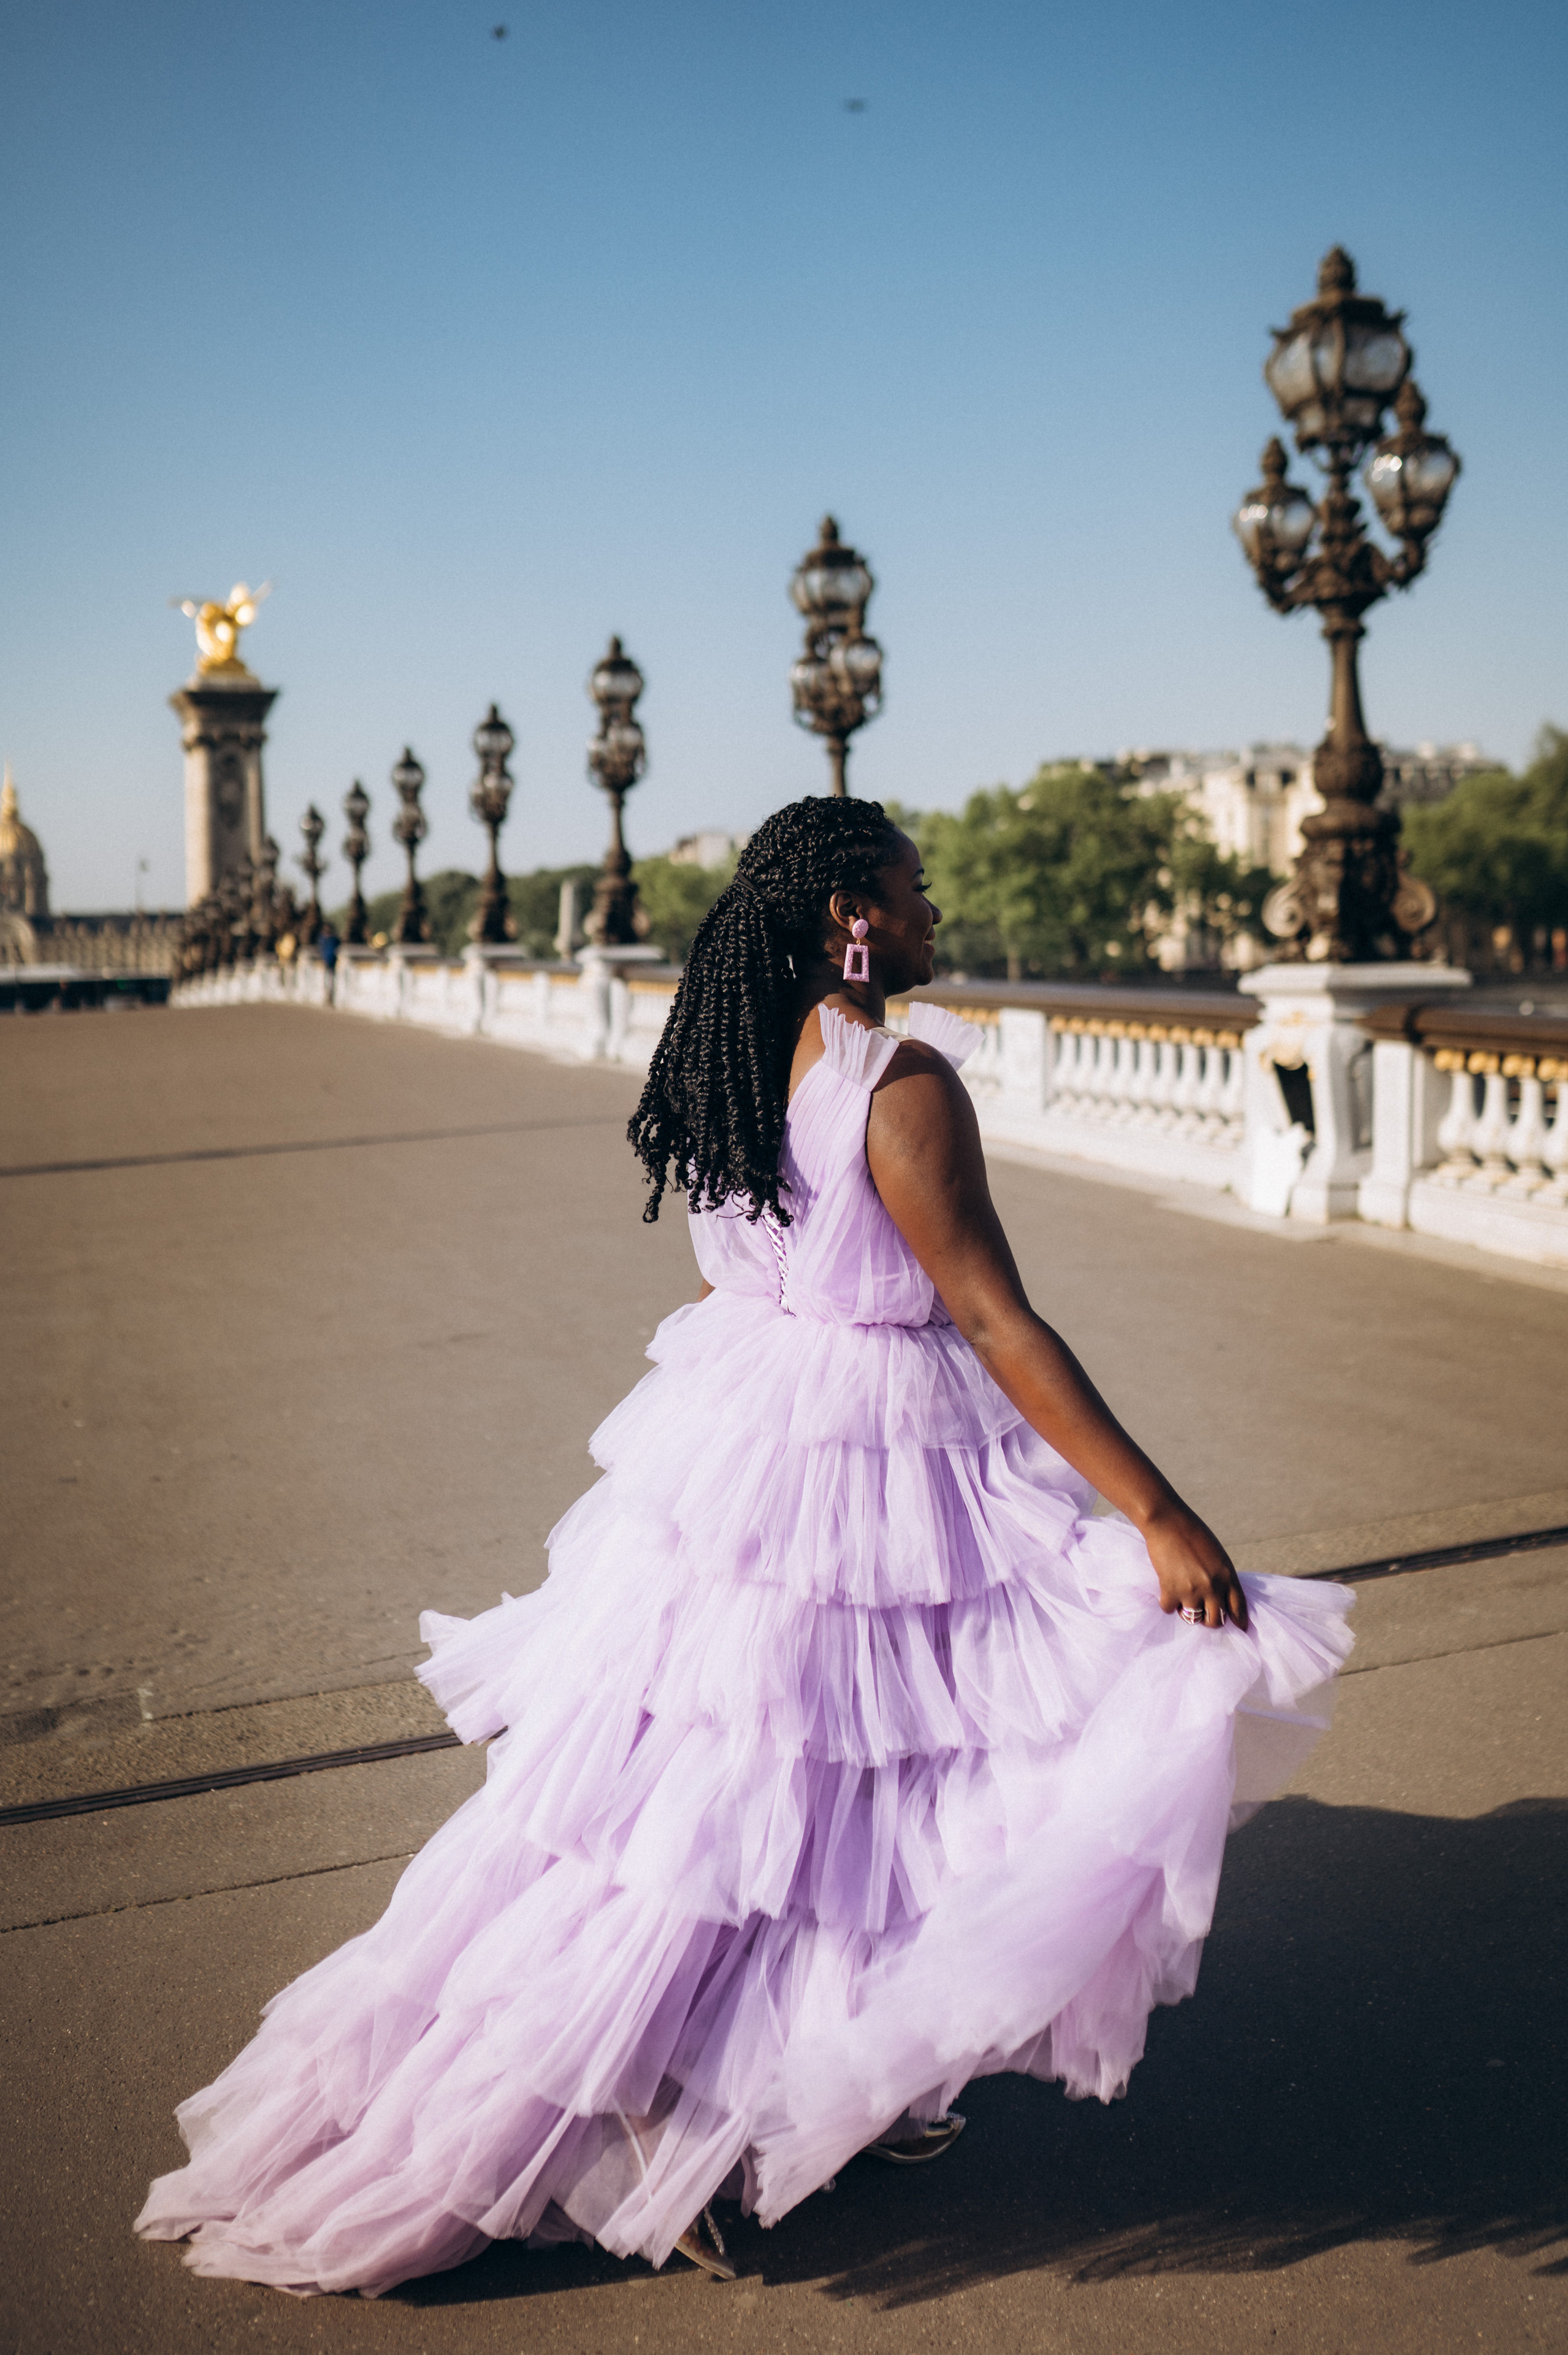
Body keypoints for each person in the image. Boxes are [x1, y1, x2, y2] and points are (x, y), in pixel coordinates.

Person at [136, 794, 1352, 2295]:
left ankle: (811, 2075)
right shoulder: (898, 1084)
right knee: (835, 1794)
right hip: (858, 1460)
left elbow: (752, 1263)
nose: (929, 917)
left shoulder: (727, 1052)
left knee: (734, 1804)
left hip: (740, 1426)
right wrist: (1158, 1514)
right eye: (909, 896)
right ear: (850, 915)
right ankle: (676, 2125)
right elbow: (988, 1313)